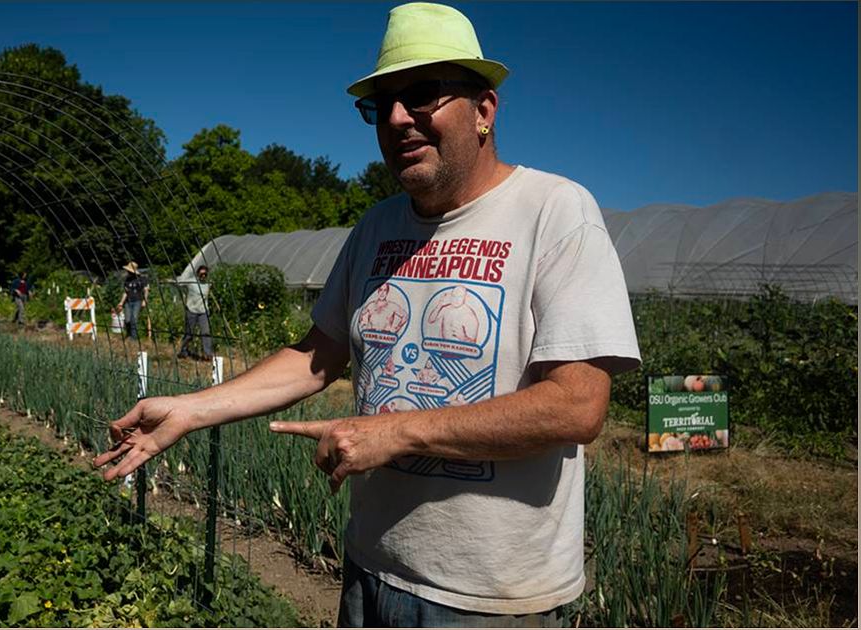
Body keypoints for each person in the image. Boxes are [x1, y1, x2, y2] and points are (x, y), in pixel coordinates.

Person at [94, 3, 640, 628]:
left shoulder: (555, 212)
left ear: (484, 110)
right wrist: (192, 409)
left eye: (422, 95)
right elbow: (317, 356)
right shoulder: (375, 229)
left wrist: (397, 431)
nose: (398, 119)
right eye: (382, 106)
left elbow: (576, 405)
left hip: (490, 600)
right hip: (370, 571)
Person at [176, 265, 212, 361]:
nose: (203, 276)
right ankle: (184, 350)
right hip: (191, 310)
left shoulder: (208, 284)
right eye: (201, 274)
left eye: (205, 274)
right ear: (198, 274)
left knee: (206, 332)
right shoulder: (191, 282)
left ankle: (207, 354)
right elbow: (179, 282)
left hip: (203, 311)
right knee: (189, 333)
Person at [116, 261, 149, 340]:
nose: (128, 272)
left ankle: (133, 338)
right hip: (128, 301)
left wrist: (145, 300)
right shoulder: (127, 280)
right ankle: (128, 334)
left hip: (138, 301)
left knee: (134, 319)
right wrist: (121, 302)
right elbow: (125, 293)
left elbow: (146, 290)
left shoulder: (141, 279)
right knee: (127, 320)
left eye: (129, 271)